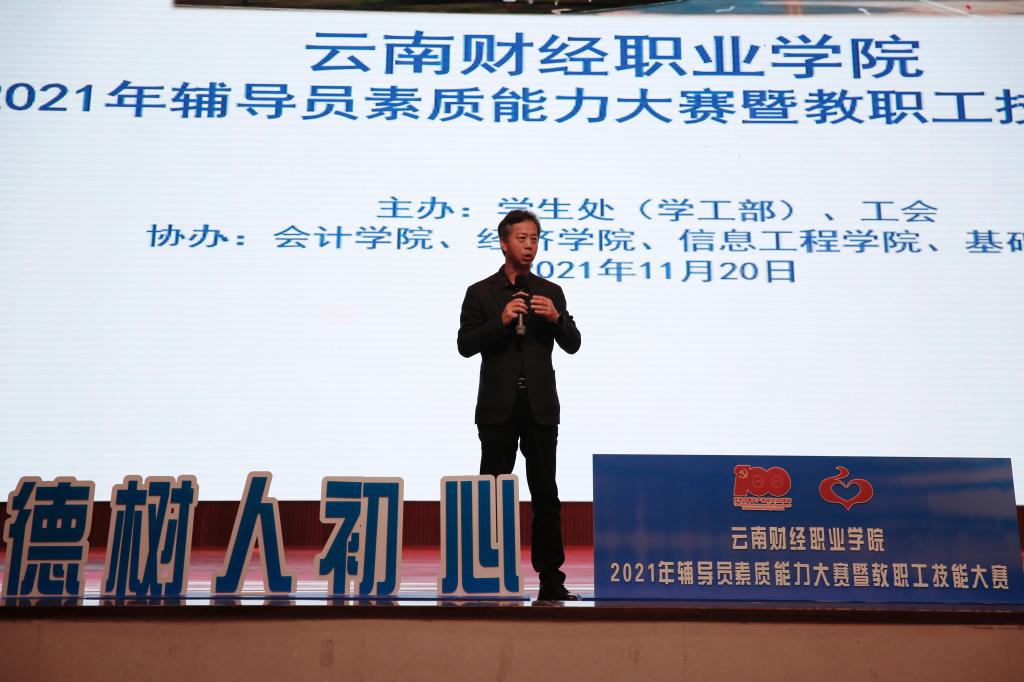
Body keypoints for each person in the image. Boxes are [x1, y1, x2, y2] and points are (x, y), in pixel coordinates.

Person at [457, 209, 582, 601]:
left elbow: (574, 343)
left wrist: (557, 318)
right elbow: (465, 345)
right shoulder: (481, 292)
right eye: (522, 239)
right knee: (491, 493)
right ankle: (485, 572)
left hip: (540, 408)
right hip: (498, 409)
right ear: (503, 243)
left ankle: (551, 579)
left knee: (546, 495)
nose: (529, 246)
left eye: (535, 239)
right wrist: (501, 320)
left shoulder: (551, 291)